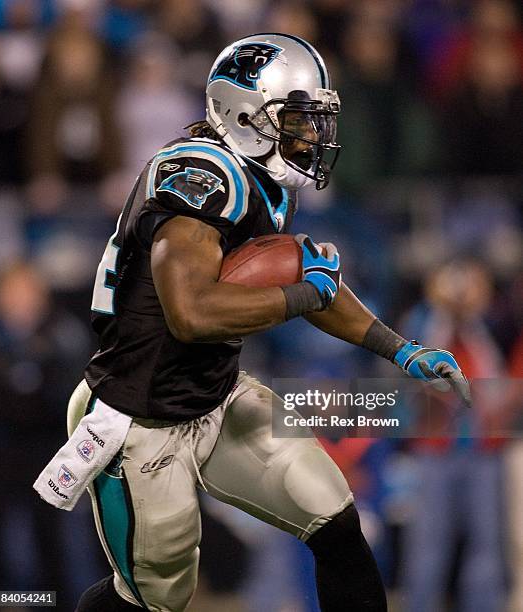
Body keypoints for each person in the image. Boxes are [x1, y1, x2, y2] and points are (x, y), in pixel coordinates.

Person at [43, 34, 470, 612]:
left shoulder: (261, 176)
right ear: (246, 115)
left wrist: (401, 350)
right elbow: (191, 314)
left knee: (336, 519)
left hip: (214, 395)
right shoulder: (201, 178)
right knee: (155, 597)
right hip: (140, 417)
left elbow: (312, 281)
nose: (312, 135)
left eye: (316, 119)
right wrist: (299, 295)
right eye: (296, 119)